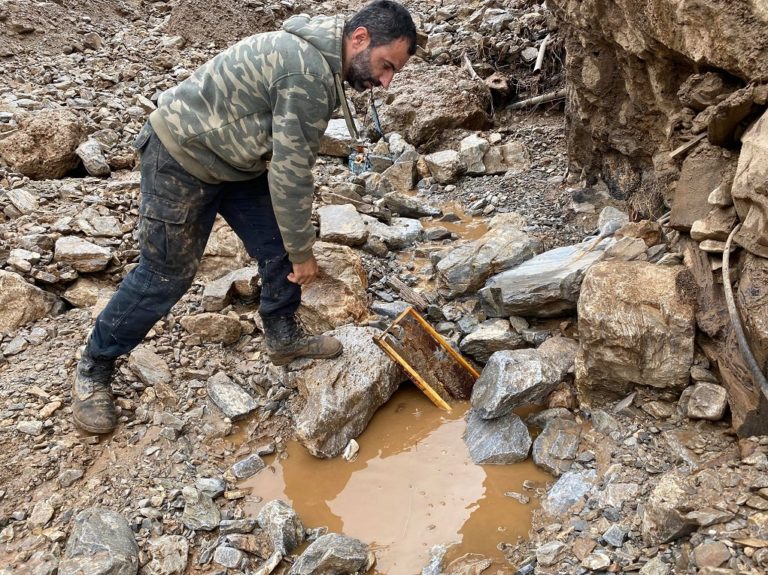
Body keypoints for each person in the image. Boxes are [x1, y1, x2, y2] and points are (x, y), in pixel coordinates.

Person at [71, 0, 417, 434]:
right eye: (386, 66)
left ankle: (282, 336)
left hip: (234, 162)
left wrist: (293, 248)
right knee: (166, 274)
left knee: (276, 248)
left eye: (392, 73)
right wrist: (303, 254)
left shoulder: (321, 61)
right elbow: (292, 173)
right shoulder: (307, 71)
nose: (383, 82)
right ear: (360, 38)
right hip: (181, 154)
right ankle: (94, 368)